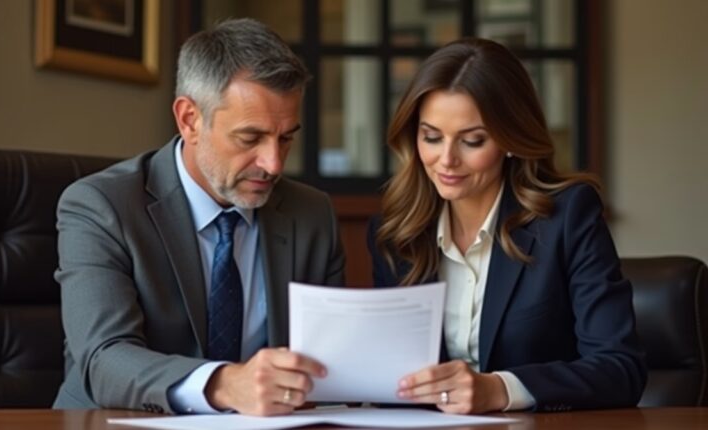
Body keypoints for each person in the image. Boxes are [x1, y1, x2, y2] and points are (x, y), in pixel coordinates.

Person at [53, 18, 344, 416]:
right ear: (190, 119)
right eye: (250, 138)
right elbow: (104, 360)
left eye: (286, 138)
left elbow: (331, 361)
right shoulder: (101, 207)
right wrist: (224, 384)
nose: (274, 163)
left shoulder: (312, 215)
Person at [368, 38, 646, 414]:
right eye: (431, 137)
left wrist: (500, 389)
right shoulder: (396, 232)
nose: (446, 159)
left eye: (472, 141)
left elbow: (620, 369)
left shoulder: (567, 217)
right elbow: (390, 375)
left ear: (510, 139)